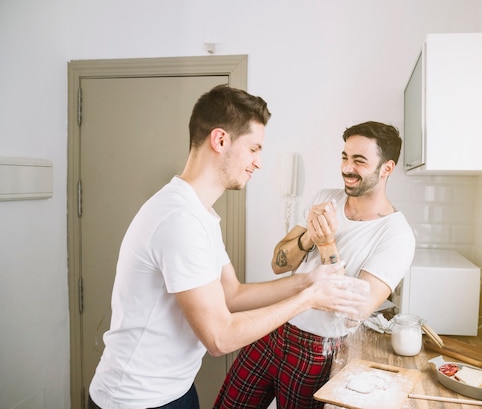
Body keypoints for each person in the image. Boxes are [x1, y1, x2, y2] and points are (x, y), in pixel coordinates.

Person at [87, 85, 369, 409]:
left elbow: (232, 294)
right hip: (133, 400)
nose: (258, 163)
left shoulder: (201, 214)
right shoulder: (179, 219)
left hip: (175, 390)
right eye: (253, 149)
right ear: (220, 140)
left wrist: (308, 280)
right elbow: (220, 337)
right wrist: (308, 299)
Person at [214, 121, 416, 409]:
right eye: (345, 157)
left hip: (318, 349)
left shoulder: (396, 235)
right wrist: (309, 236)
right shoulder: (325, 198)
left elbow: (355, 311)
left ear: (387, 168)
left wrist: (327, 245)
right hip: (273, 323)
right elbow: (278, 263)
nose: (347, 168)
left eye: (359, 161)